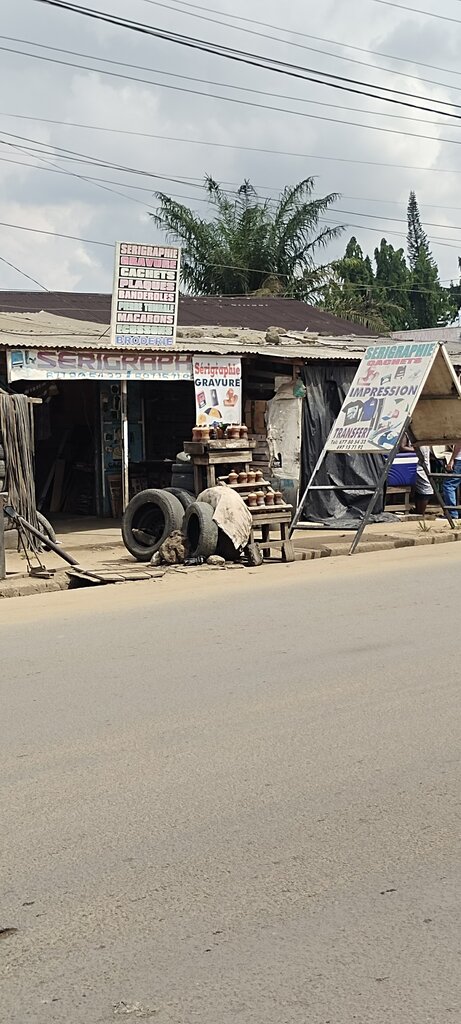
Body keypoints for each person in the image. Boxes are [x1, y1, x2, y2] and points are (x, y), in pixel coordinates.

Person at [399, 436, 433, 515]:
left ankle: (419, 510)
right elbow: (402, 447)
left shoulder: (422, 434)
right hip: (416, 463)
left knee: (421, 488)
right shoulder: (409, 433)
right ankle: (420, 511)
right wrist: (415, 450)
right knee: (426, 488)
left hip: (422, 462)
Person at [442, 443, 461, 520]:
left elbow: (459, 444)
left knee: (449, 485)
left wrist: (451, 460)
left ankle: (452, 513)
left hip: (459, 459)